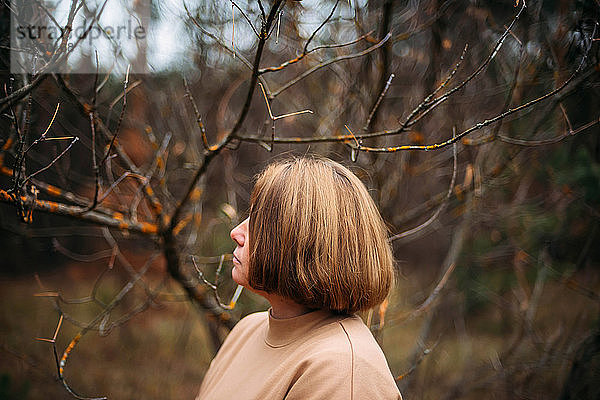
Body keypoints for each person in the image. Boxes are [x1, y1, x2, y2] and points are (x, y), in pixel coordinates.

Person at [196, 156, 402, 400]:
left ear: (304, 243)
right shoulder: (246, 331)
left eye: (259, 221)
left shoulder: (343, 371)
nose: (236, 232)